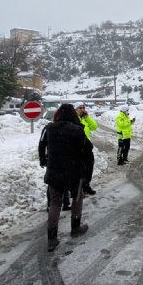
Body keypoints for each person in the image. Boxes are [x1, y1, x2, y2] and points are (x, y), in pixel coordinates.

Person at [38, 104, 92, 251]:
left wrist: (43, 160)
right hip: (73, 172)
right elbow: (88, 149)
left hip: (55, 171)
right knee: (77, 198)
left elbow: (41, 145)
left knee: (55, 203)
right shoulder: (77, 130)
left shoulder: (49, 129)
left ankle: (52, 238)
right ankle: (75, 227)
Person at [74, 102, 98, 196]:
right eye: (80, 108)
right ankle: (80, 188)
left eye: (83, 107)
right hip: (78, 148)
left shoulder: (84, 119)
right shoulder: (74, 119)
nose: (82, 109)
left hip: (87, 148)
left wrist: (87, 117)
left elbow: (94, 127)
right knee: (81, 170)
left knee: (89, 167)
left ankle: (86, 185)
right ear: (76, 109)